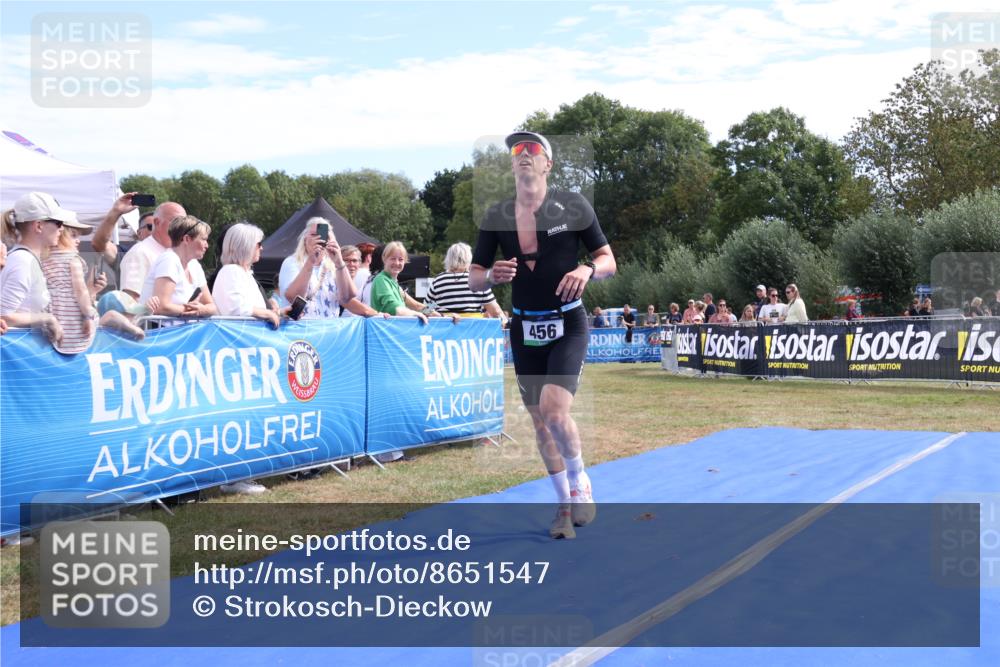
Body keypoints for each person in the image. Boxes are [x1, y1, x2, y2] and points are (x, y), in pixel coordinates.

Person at [470, 130, 615, 539]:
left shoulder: (573, 205)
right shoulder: (496, 215)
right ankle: (563, 505)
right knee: (538, 422)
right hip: (523, 325)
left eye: (532, 149)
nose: (523, 155)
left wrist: (587, 269)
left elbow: (608, 260)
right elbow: (474, 277)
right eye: (517, 150)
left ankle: (580, 480)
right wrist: (489, 277)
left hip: (567, 321)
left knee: (554, 411)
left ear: (548, 163)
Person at [43, 219, 145, 353]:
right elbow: (80, 292)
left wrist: (91, 290)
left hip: (55, 327)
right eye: (73, 236)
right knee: (110, 315)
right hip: (75, 326)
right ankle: (129, 326)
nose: (78, 240)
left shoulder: (42, 260)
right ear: (60, 235)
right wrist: (88, 316)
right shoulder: (73, 261)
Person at [0, 192, 70, 344]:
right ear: (38, 226)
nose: (62, 229)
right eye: (58, 223)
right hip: (15, 357)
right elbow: (3, 317)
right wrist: (47, 319)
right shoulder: (23, 261)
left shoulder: (25, 259)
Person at [278, 217, 362, 319]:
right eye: (314, 235)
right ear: (305, 239)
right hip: (301, 329)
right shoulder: (292, 262)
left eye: (324, 236)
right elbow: (294, 297)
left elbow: (347, 297)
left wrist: (339, 262)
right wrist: (310, 261)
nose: (319, 239)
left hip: (329, 329)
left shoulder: (332, 265)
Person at [139, 215, 218, 320]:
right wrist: (192, 310)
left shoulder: (194, 265)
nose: (207, 245)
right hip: (162, 332)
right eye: (203, 239)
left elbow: (212, 306)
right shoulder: (169, 260)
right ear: (186, 239)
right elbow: (161, 307)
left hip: (180, 331)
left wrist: (202, 310)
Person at [211, 223, 282, 328]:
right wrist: (267, 313)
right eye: (259, 244)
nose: (261, 248)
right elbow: (236, 309)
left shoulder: (243, 273)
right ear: (245, 246)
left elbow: (252, 309)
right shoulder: (231, 271)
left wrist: (280, 312)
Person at [118, 200, 187, 297]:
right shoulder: (139, 253)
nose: (182, 227)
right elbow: (131, 300)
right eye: (176, 221)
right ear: (157, 222)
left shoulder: (178, 253)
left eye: (184, 223)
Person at [427, 242, 505, 321]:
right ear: (469, 258)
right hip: (473, 330)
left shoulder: (438, 281)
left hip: (446, 330)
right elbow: (496, 313)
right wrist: (504, 321)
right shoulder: (477, 280)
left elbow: (426, 310)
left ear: (448, 259)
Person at [370, 242, 430, 323]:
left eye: (400, 259)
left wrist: (442, 315)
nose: (397, 263)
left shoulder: (394, 284)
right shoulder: (381, 280)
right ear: (384, 259)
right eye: (393, 258)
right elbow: (394, 308)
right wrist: (416, 314)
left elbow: (417, 306)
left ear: (405, 261)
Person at [338, 245, 388, 317]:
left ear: (359, 263)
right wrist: (377, 314)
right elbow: (348, 301)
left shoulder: (366, 278)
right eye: (346, 260)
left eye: (354, 261)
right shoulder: (334, 280)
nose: (351, 264)